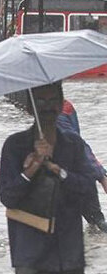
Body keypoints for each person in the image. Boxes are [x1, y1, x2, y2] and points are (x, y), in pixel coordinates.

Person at [0, 83, 94, 274]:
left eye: (53, 100)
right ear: (30, 107)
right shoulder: (15, 146)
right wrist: (31, 169)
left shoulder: (73, 145)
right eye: (40, 101)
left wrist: (58, 171)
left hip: (68, 252)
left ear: (62, 101)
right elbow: (7, 197)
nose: (47, 107)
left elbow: (87, 188)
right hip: (30, 254)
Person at [57, 99, 107, 231]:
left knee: (95, 223)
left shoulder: (57, 114)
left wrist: (100, 173)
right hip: (79, 170)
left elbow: (75, 141)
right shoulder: (66, 106)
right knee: (94, 223)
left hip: (74, 173)